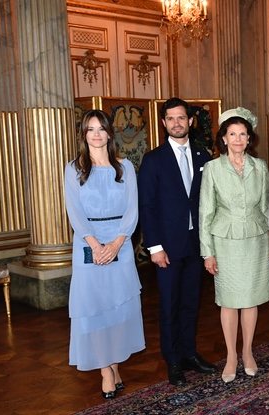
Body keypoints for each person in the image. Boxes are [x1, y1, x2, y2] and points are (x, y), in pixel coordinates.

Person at [64, 109, 145, 399]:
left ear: (110, 133)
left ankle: (114, 360)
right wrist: (97, 246)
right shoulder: (73, 169)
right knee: (95, 308)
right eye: (90, 129)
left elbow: (133, 210)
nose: (96, 134)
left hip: (120, 245)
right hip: (88, 245)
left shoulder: (124, 168)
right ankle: (105, 370)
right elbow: (75, 213)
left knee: (118, 307)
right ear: (84, 135)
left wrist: (116, 244)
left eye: (101, 129)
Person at [138, 97, 217, 386]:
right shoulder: (153, 160)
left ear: (190, 121)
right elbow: (146, 206)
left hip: (196, 246)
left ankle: (189, 353)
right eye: (170, 118)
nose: (176, 123)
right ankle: (172, 360)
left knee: (191, 303)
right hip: (167, 249)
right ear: (163, 123)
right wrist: (154, 246)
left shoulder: (203, 157)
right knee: (169, 305)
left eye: (181, 118)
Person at [199, 107, 269, 383]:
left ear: (249, 139)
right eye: (233, 134)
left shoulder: (260, 166)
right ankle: (231, 355)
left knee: (251, 300)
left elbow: (266, 208)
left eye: (243, 134)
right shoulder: (213, 168)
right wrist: (208, 252)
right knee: (229, 302)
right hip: (225, 241)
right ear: (224, 138)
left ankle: (248, 352)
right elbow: (206, 212)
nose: (238, 139)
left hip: (255, 238)